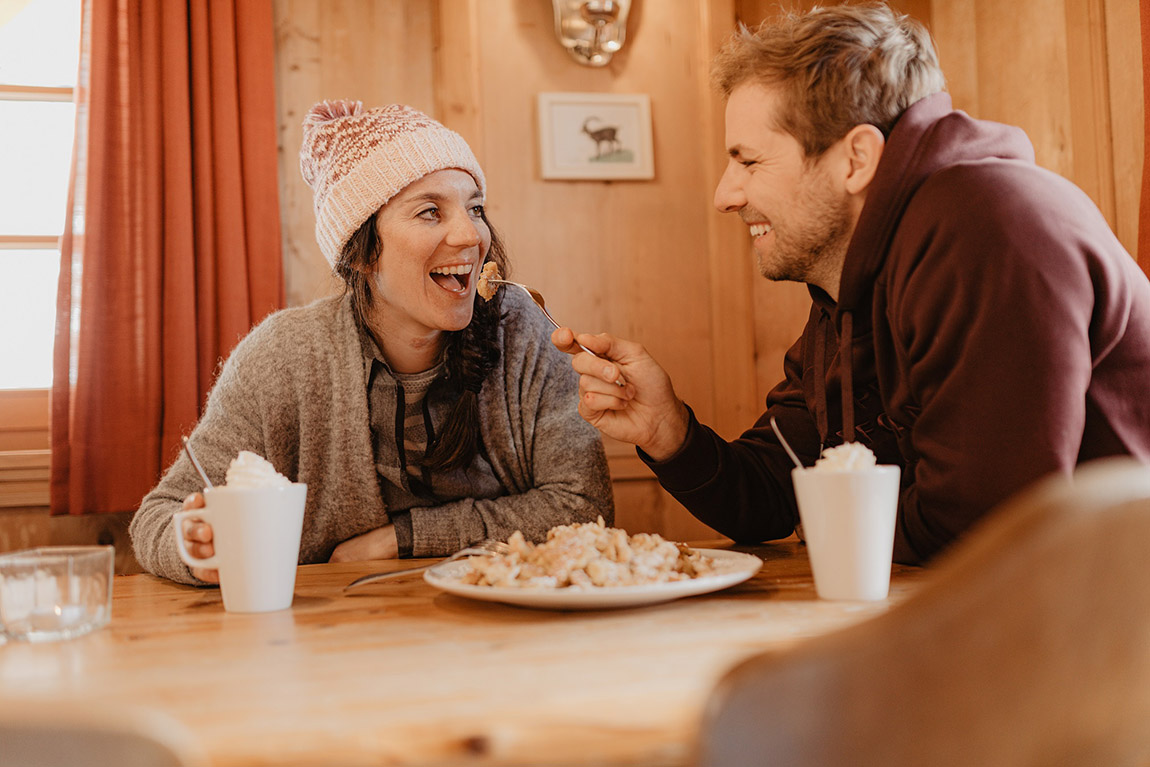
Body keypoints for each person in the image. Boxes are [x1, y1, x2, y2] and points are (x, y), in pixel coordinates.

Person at [552, 2, 1150, 566]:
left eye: (749, 161)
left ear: (856, 159)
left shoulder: (987, 226)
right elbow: (772, 489)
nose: (724, 195)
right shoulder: (857, 279)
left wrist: (828, 523)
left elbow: (982, 527)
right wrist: (669, 432)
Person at [132, 101, 613, 585]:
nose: (470, 234)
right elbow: (160, 517)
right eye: (430, 212)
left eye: (475, 208)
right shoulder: (283, 356)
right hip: (334, 638)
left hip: (505, 635)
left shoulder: (524, 330)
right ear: (361, 252)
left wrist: (402, 538)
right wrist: (195, 544)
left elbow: (583, 505)